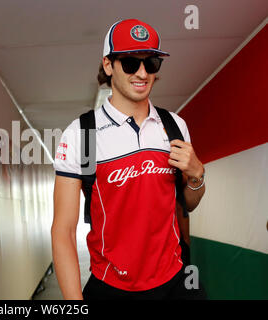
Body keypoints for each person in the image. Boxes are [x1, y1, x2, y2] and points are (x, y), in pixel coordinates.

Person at [52, 19, 206, 300]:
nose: (143, 73)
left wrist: (197, 175)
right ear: (108, 65)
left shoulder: (174, 126)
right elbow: (63, 230)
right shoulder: (84, 134)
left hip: (175, 281)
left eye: (151, 63)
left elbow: (189, 204)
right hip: (112, 286)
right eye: (131, 63)